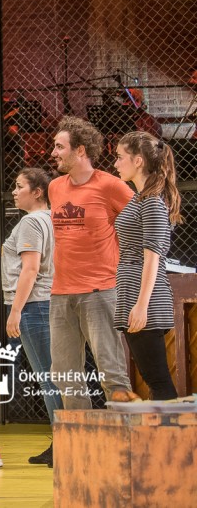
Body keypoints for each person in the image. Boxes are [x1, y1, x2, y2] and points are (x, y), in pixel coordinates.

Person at [49, 116, 136, 413]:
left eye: (60, 147)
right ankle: (80, 435)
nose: (53, 152)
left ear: (81, 150)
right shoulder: (55, 187)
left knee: (111, 370)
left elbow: (141, 224)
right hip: (60, 293)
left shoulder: (110, 185)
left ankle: (123, 435)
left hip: (100, 291)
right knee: (64, 374)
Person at [112, 131, 180, 400]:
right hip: (132, 294)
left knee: (158, 380)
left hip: (146, 301)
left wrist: (141, 306)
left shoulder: (152, 202)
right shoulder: (141, 198)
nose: (116, 163)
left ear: (138, 161)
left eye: (120, 157)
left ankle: (173, 427)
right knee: (153, 379)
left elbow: (153, 257)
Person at [2, 167, 61, 467]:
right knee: (56, 375)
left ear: (37, 192)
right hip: (49, 302)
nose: (14, 191)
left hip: (34, 304)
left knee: (49, 378)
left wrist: (15, 310)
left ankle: (64, 444)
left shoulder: (31, 221)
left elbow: (31, 268)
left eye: (19, 186)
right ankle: (65, 441)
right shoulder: (53, 218)